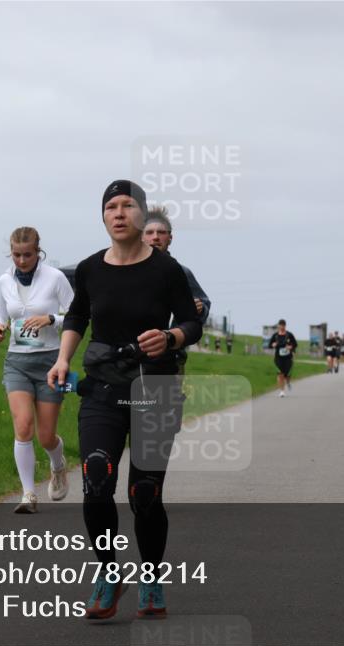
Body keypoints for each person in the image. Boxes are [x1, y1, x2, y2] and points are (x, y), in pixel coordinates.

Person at [47, 179, 201, 620]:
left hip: (157, 388)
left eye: (127, 205)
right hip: (104, 386)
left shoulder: (167, 270)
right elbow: (77, 314)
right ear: (103, 216)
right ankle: (109, 574)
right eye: (110, 206)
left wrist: (170, 336)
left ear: (142, 214)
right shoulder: (91, 268)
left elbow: (192, 322)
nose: (118, 213)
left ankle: (150, 575)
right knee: (97, 478)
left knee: (145, 492)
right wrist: (62, 359)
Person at [0, 227, 74, 514]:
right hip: (17, 361)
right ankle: (28, 495)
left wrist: (51, 318)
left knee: (46, 436)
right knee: (23, 426)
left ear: (39, 252)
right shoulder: (4, 280)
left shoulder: (55, 278)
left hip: (52, 361)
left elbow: (77, 315)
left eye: (28, 255)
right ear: (10, 253)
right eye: (16, 255)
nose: (22, 260)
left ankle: (58, 465)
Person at [143, 205, 211, 374]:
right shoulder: (127, 269)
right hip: (132, 358)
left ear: (170, 238)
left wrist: (198, 308)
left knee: (167, 400)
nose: (155, 237)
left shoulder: (181, 272)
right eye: (149, 232)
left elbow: (202, 302)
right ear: (140, 236)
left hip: (171, 357)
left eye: (161, 232)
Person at [268, 319, 297, 396]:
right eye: (280, 325)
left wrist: (290, 347)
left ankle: (288, 382)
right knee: (280, 374)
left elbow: (295, 344)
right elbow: (269, 345)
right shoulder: (275, 335)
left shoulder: (289, 335)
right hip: (278, 357)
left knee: (287, 375)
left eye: (283, 325)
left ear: (285, 326)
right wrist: (272, 345)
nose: (281, 327)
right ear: (278, 326)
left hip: (288, 358)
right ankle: (282, 391)